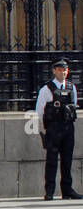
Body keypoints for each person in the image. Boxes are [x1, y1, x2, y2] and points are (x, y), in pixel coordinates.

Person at [35, 58, 81, 199]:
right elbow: (40, 110)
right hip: (54, 128)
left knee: (67, 160)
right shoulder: (46, 89)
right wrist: (45, 129)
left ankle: (67, 190)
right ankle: (49, 191)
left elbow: (73, 105)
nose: (63, 72)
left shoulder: (71, 87)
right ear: (54, 71)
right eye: (60, 69)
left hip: (67, 127)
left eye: (65, 69)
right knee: (52, 161)